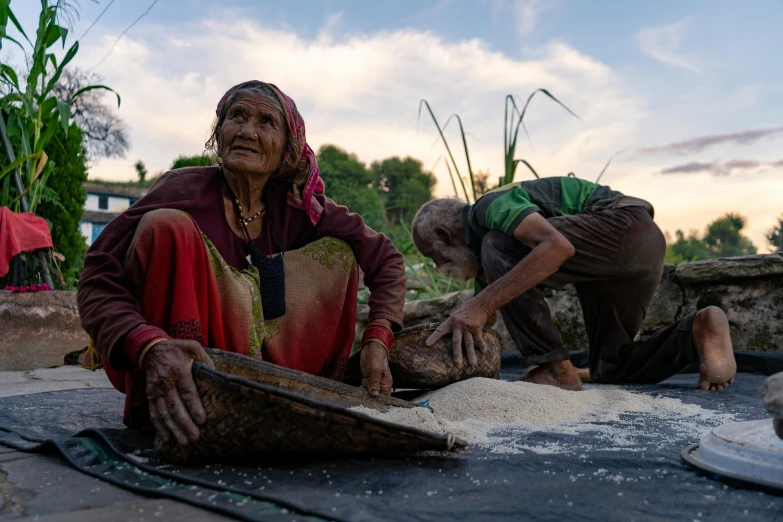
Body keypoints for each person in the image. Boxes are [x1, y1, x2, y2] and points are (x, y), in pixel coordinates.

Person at [77, 81, 405, 446]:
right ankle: (188, 395)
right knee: (165, 227)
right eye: (237, 117)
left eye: (266, 122)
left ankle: (296, 392)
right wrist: (149, 345)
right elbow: (96, 274)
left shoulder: (299, 207)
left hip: (273, 366)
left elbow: (386, 259)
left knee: (340, 255)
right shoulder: (183, 190)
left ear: (286, 149)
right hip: (190, 359)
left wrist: (378, 339)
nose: (247, 131)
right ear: (219, 133)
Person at [412, 176, 736, 392]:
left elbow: (556, 247)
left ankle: (554, 368)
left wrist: (480, 306)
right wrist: (439, 351)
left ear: (444, 234)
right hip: (638, 251)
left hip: (624, 227)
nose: (440, 267)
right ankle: (697, 330)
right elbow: (489, 316)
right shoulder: (489, 267)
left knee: (498, 243)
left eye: (435, 256)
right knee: (611, 368)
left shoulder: (487, 209)